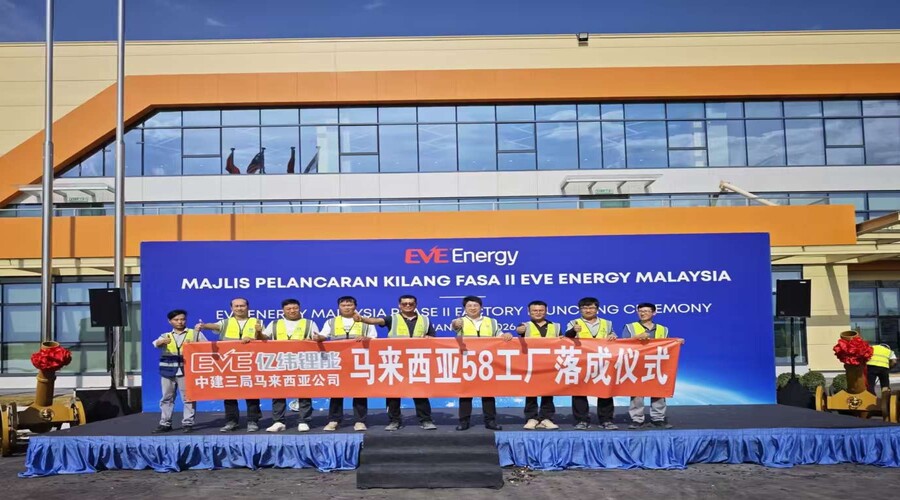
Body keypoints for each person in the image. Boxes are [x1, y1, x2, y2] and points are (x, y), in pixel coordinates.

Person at [357, 294, 438, 431]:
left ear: (415, 305)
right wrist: (363, 319)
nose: (408, 305)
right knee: (393, 393)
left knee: (420, 392)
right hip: (395, 361)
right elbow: (377, 321)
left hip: (417, 361)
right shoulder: (392, 318)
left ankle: (426, 420)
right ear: (399, 305)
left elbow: (432, 336)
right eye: (404, 303)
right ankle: (394, 421)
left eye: (411, 303)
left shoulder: (424, 319)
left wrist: (428, 337)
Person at [195, 297, 265, 432]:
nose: (239, 308)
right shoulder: (225, 322)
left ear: (247, 307)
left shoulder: (256, 322)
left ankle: (253, 421)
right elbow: (215, 326)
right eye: (236, 306)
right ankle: (232, 421)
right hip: (228, 365)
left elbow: (264, 339)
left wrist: (257, 334)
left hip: (250, 364)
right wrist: (204, 326)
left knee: (252, 393)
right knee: (229, 393)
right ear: (231, 308)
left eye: (242, 306)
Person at [451, 295, 513, 431]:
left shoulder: (491, 322)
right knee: (466, 393)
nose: (473, 308)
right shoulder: (460, 321)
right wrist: (456, 324)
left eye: (475, 305)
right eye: (469, 306)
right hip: (467, 361)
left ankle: (490, 421)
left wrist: (506, 335)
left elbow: (499, 335)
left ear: (481, 307)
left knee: (488, 392)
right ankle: (464, 421)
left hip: (488, 361)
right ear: (464, 308)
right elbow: (455, 327)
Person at [262, 298, 324, 433]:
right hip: (279, 362)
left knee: (304, 391)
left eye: (295, 308)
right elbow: (264, 339)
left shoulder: (309, 323)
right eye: (288, 309)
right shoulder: (274, 324)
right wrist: (258, 333)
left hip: (303, 361)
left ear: (299, 308)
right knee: (278, 391)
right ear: (283, 310)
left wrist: (312, 341)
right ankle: (278, 421)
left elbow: (317, 340)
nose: (292, 311)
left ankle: (304, 420)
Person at [621, 303, 683, 429]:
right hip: (637, 364)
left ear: (654, 313)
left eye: (646, 311)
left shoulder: (663, 329)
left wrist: (676, 343)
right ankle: (637, 419)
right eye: (640, 311)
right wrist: (636, 337)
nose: (643, 313)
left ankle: (658, 418)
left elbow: (667, 345)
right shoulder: (630, 327)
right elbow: (623, 344)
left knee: (658, 390)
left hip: (657, 364)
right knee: (636, 392)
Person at [320, 296, 378, 432]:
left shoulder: (365, 321)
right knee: (336, 391)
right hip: (338, 362)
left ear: (355, 306)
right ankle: (334, 420)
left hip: (359, 362)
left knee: (359, 392)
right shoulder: (331, 322)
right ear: (339, 307)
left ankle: (360, 420)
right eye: (343, 305)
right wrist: (318, 338)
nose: (347, 307)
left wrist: (366, 338)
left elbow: (374, 338)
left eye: (349, 305)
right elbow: (323, 335)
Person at [565, 297, 618, 430]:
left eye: (591, 307)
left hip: (602, 361)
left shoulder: (607, 323)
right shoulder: (574, 322)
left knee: (605, 390)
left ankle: (606, 420)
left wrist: (613, 336)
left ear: (597, 309)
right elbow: (567, 337)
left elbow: (612, 336)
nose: (588, 310)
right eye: (585, 308)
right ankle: (582, 420)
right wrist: (573, 331)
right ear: (580, 309)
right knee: (579, 391)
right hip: (581, 361)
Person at [514, 300, 561, 430]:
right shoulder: (525, 326)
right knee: (531, 392)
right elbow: (519, 331)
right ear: (529, 312)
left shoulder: (555, 326)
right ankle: (532, 418)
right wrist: (519, 330)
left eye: (541, 310)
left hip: (550, 364)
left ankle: (546, 418)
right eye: (535, 310)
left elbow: (563, 342)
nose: (538, 313)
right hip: (531, 365)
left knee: (548, 392)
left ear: (546, 311)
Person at [152, 309, 200, 433]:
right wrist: (161, 342)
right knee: (167, 397)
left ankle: (188, 423)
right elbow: (155, 343)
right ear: (170, 321)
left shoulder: (194, 333)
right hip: (168, 371)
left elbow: (205, 347)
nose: (180, 322)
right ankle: (165, 423)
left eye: (182, 319)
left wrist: (194, 344)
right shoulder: (165, 335)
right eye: (176, 320)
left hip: (187, 370)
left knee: (188, 397)